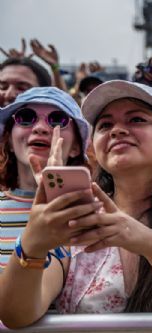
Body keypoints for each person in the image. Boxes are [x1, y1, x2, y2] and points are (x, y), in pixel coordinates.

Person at [0, 80, 152, 330]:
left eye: (137, 119)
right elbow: (17, 315)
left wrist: (149, 244)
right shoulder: (79, 218)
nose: (117, 130)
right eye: (105, 125)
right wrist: (31, 246)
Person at [0, 87, 89, 273]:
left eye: (58, 120)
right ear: (8, 140)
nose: (40, 128)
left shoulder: (92, 211)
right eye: (25, 117)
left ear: (75, 147)